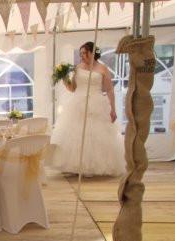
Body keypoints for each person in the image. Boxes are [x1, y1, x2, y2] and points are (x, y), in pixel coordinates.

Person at [50, 42, 126, 177]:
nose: (82, 56)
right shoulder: (77, 68)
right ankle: (75, 166)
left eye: (84, 53)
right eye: (80, 54)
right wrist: (64, 79)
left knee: (96, 135)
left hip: (97, 103)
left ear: (92, 53)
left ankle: (93, 167)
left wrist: (113, 109)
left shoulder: (103, 69)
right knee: (75, 135)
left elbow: (109, 90)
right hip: (77, 104)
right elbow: (73, 88)